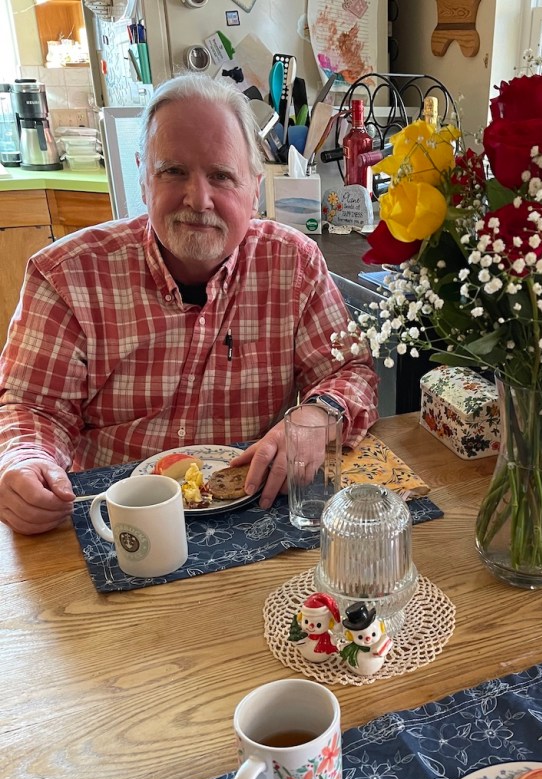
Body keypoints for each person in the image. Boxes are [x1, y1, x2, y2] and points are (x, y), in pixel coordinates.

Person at [0, 74, 377, 536]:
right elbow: (32, 408)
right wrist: (25, 462)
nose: (199, 200)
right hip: (113, 521)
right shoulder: (66, 274)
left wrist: (318, 415)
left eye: (221, 175)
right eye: (173, 171)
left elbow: (350, 372)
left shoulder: (293, 264)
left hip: (251, 513)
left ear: (255, 188)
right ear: (143, 175)